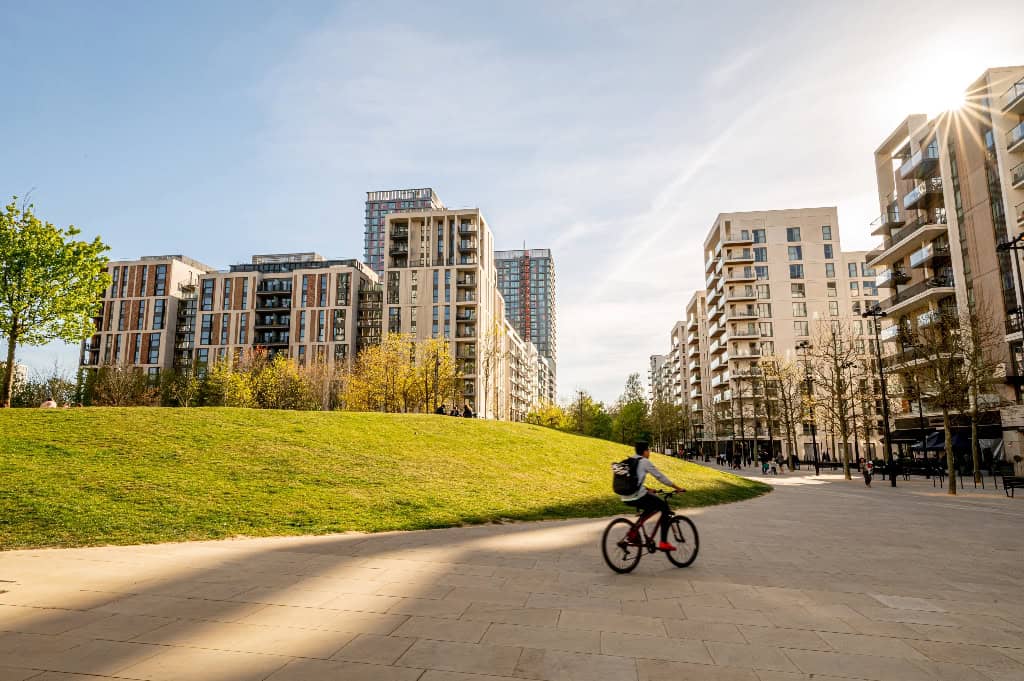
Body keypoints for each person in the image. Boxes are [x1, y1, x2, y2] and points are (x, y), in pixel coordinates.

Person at [620, 441, 686, 552]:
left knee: (650, 508)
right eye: (648, 450)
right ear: (645, 451)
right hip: (637, 496)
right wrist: (677, 487)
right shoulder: (645, 462)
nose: (649, 452)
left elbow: (632, 481)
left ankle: (633, 533)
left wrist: (647, 489)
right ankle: (663, 542)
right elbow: (660, 477)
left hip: (625, 496)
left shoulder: (630, 460)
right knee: (664, 507)